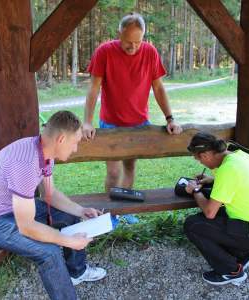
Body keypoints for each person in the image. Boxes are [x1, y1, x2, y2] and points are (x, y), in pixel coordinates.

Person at [0, 111, 107, 300]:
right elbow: (27, 227)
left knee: (69, 215)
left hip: (14, 210)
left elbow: (49, 194)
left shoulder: (44, 151)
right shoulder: (25, 163)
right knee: (49, 253)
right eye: (75, 142)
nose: (76, 148)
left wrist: (81, 210)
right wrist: (68, 241)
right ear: (61, 139)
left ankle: (76, 272)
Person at [83, 13, 182, 222]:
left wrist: (170, 118)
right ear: (119, 33)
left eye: (138, 41)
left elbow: (158, 87)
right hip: (111, 123)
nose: (133, 47)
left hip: (139, 123)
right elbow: (93, 89)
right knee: (113, 172)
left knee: (130, 167)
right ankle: (110, 214)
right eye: (128, 42)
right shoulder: (104, 52)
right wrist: (87, 122)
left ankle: (124, 210)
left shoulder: (150, 52)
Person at [183, 132, 249, 286]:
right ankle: (245, 252)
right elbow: (239, 179)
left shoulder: (228, 170)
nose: (201, 163)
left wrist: (195, 191)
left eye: (199, 159)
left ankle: (231, 271)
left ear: (205, 155)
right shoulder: (239, 156)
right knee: (206, 221)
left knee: (193, 225)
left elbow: (209, 213)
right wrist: (212, 179)